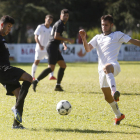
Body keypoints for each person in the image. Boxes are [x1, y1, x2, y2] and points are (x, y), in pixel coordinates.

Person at [79, 14, 140, 125]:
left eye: (106, 25)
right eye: (102, 25)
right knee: (106, 97)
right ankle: (118, 115)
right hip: (102, 71)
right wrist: (83, 38)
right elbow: (87, 49)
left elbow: (133, 41)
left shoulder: (117, 35)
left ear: (112, 25)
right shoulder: (98, 37)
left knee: (107, 67)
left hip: (113, 66)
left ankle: (114, 92)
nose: (104, 27)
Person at [0, 15, 32, 129]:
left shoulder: (3, 38)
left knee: (19, 95)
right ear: (2, 25)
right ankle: (15, 108)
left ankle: (16, 125)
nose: (10, 29)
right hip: (2, 69)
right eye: (8, 26)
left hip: (5, 70)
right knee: (29, 78)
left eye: (11, 27)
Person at [32, 9, 74, 92]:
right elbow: (56, 36)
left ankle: (58, 86)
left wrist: (63, 43)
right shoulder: (60, 24)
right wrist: (68, 40)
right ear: (60, 16)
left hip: (54, 47)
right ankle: (35, 81)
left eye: (67, 15)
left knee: (63, 65)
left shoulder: (61, 24)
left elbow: (59, 36)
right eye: (64, 15)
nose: (66, 17)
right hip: (52, 47)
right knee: (51, 68)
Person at [31, 15, 57, 81]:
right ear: (45, 19)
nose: (49, 21)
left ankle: (51, 76)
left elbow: (53, 39)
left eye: (51, 20)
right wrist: (40, 45)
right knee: (36, 61)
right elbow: (36, 36)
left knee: (51, 62)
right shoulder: (40, 27)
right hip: (40, 48)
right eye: (48, 19)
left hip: (48, 48)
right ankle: (32, 76)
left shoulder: (51, 29)